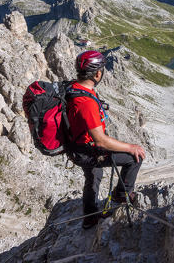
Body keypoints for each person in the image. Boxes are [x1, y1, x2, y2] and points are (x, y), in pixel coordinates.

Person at [67, 50, 146, 229]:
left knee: (94, 175)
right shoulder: (85, 102)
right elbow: (101, 141)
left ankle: (90, 217)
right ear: (97, 74)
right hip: (87, 150)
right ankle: (121, 195)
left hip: (78, 147)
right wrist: (130, 147)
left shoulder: (74, 87)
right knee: (134, 158)